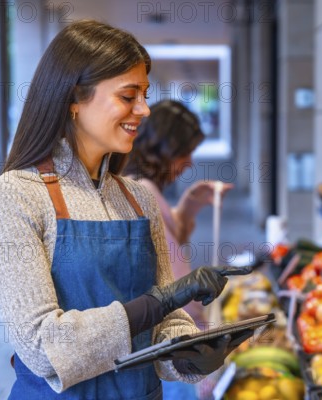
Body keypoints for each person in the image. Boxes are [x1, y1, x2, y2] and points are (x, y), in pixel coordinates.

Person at [0, 20, 246, 399]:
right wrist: (157, 302)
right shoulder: (12, 198)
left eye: (145, 94)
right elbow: (42, 348)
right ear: (73, 99)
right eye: (128, 95)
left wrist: (186, 354)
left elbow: (165, 326)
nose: (145, 110)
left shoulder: (139, 198)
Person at [123, 100, 234, 399]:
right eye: (186, 152)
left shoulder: (137, 185)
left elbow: (166, 244)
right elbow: (175, 276)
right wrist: (203, 338)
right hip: (173, 346)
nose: (189, 162)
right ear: (165, 147)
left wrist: (190, 204)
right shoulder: (144, 191)